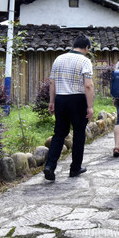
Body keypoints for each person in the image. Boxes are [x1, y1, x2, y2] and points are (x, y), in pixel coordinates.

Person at [44, 35, 94, 180]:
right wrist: (90, 107)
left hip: (60, 98)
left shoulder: (58, 59)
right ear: (86, 48)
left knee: (59, 133)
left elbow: (52, 83)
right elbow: (88, 85)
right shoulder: (85, 60)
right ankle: (75, 168)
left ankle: (50, 166)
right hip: (77, 99)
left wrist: (51, 101)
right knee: (79, 133)